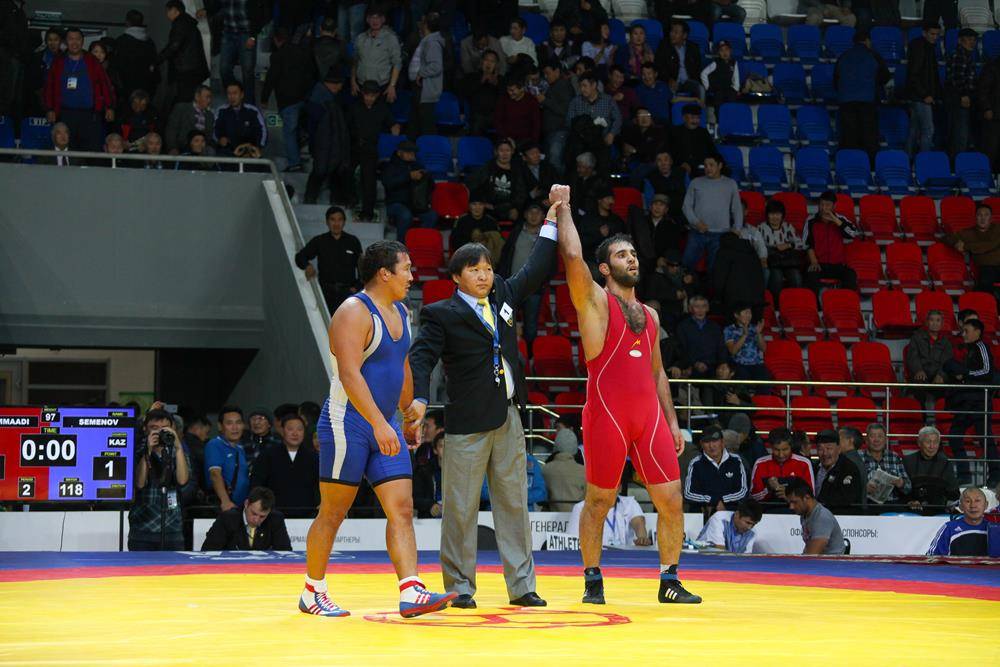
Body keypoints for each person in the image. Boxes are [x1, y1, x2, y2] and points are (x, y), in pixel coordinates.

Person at [407, 189, 560, 610]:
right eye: (474, 270)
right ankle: (460, 587)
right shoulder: (441, 313)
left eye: (488, 268)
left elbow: (536, 268)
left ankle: (522, 585)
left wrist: (552, 220)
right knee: (460, 508)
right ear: (456, 277)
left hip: (509, 418)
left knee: (515, 504)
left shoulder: (504, 296)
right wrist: (419, 398)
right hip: (468, 424)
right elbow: (421, 358)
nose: (484, 275)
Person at [553, 183, 701, 605]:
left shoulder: (650, 315)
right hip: (608, 417)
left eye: (633, 253)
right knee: (599, 500)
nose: (631, 258)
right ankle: (593, 580)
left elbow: (657, 373)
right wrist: (563, 208)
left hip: (649, 418)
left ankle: (669, 580)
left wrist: (672, 421)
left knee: (671, 501)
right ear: (604, 268)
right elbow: (573, 257)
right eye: (621, 254)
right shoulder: (595, 304)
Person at [301, 240, 454, 618]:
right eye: (407, 268)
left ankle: (411, 589)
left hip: (384, 424)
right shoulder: (353, 312)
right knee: (333, 512)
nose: (412, 276)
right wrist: (377, 423)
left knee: (402, 507)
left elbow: (401, 365)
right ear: (384, 273)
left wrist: (406, 414)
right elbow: (350, 375)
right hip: (347, 423)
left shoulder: (401, 311)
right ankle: (312, 590)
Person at [943, 318, 998, 484]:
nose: (963, 334)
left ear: (977, 332)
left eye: (966, 331)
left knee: (985, 439)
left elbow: (987, 371)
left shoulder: (981, 346)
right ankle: (965, 475)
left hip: (979, 402)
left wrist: (965, 374)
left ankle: (996, 475)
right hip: (968, 401)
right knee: (955, 436)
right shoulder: (970, 350)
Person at [43, 27, 115, 152]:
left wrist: (110, 106)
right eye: (71, 39)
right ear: (65, 41)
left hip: (90, 115)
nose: (74, 42)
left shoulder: (92, 61)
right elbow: (49, 86)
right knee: (68, 152)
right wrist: (49, 108)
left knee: (91, 152)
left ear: (82, 41)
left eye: (78, 39)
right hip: (65, 114)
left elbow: (105, 84)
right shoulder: (58, 61)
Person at [128, 408, 191, 550]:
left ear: (173, 428)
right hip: (142, 529)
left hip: (172, 528)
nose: (159, 432)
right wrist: (148, 451)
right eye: (154, 428)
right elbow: (139, 483)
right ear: (145, 429)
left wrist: (178, 448)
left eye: (164, 428)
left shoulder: (177, 452)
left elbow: (182, 481)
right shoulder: (137, 451)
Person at [260, 26, 317, 172]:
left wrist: (264, 98)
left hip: (288, 101)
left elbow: (271, 78)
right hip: (305, 97)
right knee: (299, 128)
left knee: (289, 132)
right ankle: (303, 146)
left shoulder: (277, 56)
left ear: (276, 40)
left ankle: (294, 163)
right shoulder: (302, 52)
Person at [346, 77, 397, 217]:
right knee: (346, 173)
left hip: (370, 148)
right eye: (367, 95)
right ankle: (350, 200)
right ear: (362, 93)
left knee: (369, 180)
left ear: (377, 95)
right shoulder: (354, 107)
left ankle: (367, 211)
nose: (369, 98)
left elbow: (393, 124)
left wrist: (395, 131)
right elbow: (346, 126)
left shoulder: (382, 109)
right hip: (353, 146)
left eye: (373, 96)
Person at [681, 153, 742, 272]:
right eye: (705, 165)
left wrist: (737, 228)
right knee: (686, 265)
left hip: (721, 234)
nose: (708, 168)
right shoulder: (695, 182)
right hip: (697, 232)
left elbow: (737, 208)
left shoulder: (730, 184)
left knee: (715, 270)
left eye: (711, 165)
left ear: (720, 166)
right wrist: (696, 222)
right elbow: (686, 206)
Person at [295, 206, 362, 313]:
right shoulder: (320, 241)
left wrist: (356, 287)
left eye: (340, 219)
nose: (336, 223)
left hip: (348, 294)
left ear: (344, 222)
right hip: (325, 293)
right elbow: (300, 256)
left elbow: (362, 267)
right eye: (332, 219)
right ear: (327, 222)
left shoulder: (353, 241)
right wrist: (307, 266)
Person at [250, 414, 320, 517]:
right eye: (290, 429)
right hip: (272, 515)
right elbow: (256, 484)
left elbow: (321, 486)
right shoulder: (267, 455)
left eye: (299, 429)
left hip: (307, 516)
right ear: (282, 431)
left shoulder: (313, 458)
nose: (295, 433)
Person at [834, 30, 889, 159]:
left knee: (849, 136)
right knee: (868, 137)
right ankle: (869, 165)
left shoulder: (844, 56)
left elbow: (836, 79)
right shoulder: (873, 55)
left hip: (846, 102)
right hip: (867, 101)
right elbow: (885, 76)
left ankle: (848, 163)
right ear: (867, 41)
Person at [207, 0, 270, 105]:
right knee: (224, 68)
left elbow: (260, 14)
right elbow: (216, 6)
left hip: (246, 34)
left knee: (247, 70)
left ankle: (248, 104)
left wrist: (253, 36)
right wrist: (206, 10)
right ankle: (235, 95)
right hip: (228, 32)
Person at [305, 71, 350, 205]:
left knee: (328, 172)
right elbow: (314, 127)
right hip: (325, 144)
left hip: (329, 144)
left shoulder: (323, 98)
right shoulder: (321, 101)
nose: (340, 88)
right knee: (322, 171)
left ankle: (312, 199)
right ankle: (313, 199)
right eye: (340, 85)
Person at [802, 191, 861, 294]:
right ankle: (818, 302)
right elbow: (806, 244)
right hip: (819, 264)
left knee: (851, 275)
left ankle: (844, 300)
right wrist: (813, 261)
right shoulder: (811, 221)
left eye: (828, 205)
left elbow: (853, 234)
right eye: (821, 204)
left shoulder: (841, 219)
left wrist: (835, 220)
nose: (824, 208)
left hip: (837, 265)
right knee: (810, 276)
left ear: (834, 206)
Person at [684, 425, 750, 515]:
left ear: (722, 442)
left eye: (715, 441)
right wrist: (713, 501)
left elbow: (743, 491)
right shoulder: (695, 463)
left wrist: (723, 501)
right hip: (703, 514)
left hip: (732, 514)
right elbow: (688, 494)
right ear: (701, 444)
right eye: (707, 442)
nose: (711, 446)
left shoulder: (736, 460)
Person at [565, 71, 622, 175]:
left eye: (585, 86)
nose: (582, 89)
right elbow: (569, 122)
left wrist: (612, 134)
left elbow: (618, 119)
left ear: (594, 85)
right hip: (581, 141)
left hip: (602, 140)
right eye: (580, 86)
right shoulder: (575, 102)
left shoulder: (608, 100)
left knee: (604, 158)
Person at [159, 1, 210, 116]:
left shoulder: (180, 24)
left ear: (175, 10)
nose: (167, 14)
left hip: (185, 70)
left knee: (181, 103)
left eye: (168, 11)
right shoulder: (189, 23)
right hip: (193, 69)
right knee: (188, 102)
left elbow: (174, 46)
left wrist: (158, 60)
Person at [201, 486, 292, 550]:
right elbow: (209, 551)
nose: (256, 520)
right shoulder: (227, 519)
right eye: (254, 513)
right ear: (246, 504)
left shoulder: (276, 519)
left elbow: (285, 553)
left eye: (262, 516)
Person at [381, 140, 438, 242]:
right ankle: (401, 245)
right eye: (409, 152)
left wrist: (426, 176)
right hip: (395, 203)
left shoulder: (417, 165)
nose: (412, 155)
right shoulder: (390, 166)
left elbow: (432, 187)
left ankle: (420, 242)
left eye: (413, 152)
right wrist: (409, 176)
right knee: (405, 215)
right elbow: (388, 183)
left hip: (415, 204)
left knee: (431, 216)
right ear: (399, 152)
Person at [946, 202, 1000, 297]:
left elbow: (992, 244)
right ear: (975, 217)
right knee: (985, 284)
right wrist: (956, 244)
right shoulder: (968, 233)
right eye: (980, 215)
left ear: (991, 218)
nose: (983, 218)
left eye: (986, 215)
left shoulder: (998, 229)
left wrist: (966, 246)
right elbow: (947, 238)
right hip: (986, 268)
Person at [468, 138, 527, 223]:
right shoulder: (487, 168)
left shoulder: (517, 170)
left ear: (512, 152)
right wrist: (482, 203)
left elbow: (521, 194)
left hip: (509, 208)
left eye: (507, 150)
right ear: (496, 152)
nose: (505, 154)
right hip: (488, 208)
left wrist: (516, 207)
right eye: (501, 150)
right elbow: (472, 186)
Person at [905, 21, 942, 156]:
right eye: (932, 34)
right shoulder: (922, 49)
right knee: (928, 130)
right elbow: (914, 75)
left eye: (937, 34)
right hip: (921, 96)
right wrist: (925, 94)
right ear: (924, 33)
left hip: (917, 95)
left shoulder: (923, 47)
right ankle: (924, 161)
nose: (935, 37)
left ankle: (908, 160)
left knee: (914, 130)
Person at [351, 6, 402, 102]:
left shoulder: (391, 38)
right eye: (372, 17)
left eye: (378, 17)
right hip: (361, 85)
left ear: (383, 19)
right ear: (367, 19)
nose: (375, 20)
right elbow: (355, 61)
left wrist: (392, 85)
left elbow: (397, 63)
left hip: (381, 86)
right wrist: (353, 81)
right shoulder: (360, 38)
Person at [750, 427, 815, 502]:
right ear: (771, 447)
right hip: (766, 509)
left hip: (796, 509)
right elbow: (752, 497)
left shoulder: (804, 463)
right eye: (776, 450)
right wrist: (768, 489)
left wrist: (789, 496)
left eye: (785, 449)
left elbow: (811, 496)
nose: (781, 455)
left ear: (791, 446)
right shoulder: (760, 463)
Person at [905, 426, 961, 511]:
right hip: (913, 510)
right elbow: (902, 491)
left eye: (935, 442)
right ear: (919, 443)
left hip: (939, 509)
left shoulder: (945, 463)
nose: (932, 446)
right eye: (928, 442)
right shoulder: (907, 461)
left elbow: (954, 493)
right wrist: (910, 501)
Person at [757, 199, 804, 301]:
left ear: (782, 215)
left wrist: (788, 245)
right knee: (777, 278)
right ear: (767, 215)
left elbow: (801, 244)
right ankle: (777, 305)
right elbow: (757, 246)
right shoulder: (761, 228)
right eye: (772, 214)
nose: (775, 217)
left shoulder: (788, 227)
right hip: (772, 262)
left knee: (796, 277)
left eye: (778, 214)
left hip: (788, 261)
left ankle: (795, 302)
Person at [785, 477, 847, 555]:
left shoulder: (822, 517)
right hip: (821, 560)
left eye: (794, 502)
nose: (791, 507)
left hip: (832, 561)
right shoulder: (805, 514)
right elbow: (809, 548)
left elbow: (812, 554)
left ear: (807, 497)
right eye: (790, 503)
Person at [205, 405, 250, 510]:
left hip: (241, 508)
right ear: (220, 426)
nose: (235, 427)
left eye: (238, 422)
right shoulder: (214, 444)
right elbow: (215, 474)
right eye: (229, 423)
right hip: (226, 508)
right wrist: (225, 501)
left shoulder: (241, 449)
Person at [408, 12, 445, 138]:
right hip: (421, 88)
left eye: (422, 22)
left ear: (426, 25)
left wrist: (421, 73)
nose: (419, 24)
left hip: (425, 89)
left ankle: (429, 149)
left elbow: (436, 66)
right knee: (417, 124)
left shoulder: (432, 43)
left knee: (426, 127)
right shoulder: (427, 40)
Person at [568, 494, 652, 547]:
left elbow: (638, 523)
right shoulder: (581, 507)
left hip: (624, 557)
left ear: (619, 487)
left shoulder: (629, 503)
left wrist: (642, 538)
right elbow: (572, 541)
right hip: (595, 556)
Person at [927, 487, 992, 556]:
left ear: (986, 505)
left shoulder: (993, 529)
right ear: (961, 506)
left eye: (977, 500)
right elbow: (932, 558)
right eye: (968, 501)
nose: (973, 505)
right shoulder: (949, 528)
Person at [114, 10, 160, 104]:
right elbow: (154, 65)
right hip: (146, 87)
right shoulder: (149, 42)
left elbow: (117, 66)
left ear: (127, 22)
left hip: (126, 87)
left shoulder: (121, 41)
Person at [945, 28, 978, 157]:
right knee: (960, 133)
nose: (972, 43)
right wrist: (964, 95)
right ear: (960, 40)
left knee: (960, 132)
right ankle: (957, 161)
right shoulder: (959, 55)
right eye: (969, 39)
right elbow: (957, 78)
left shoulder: (966, 55)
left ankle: (957, 160)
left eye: (974, 40)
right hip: (958, 99)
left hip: (961, 98)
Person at [814, 429, 863, 514]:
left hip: (842, 518)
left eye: (829, 448)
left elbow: (847, 499)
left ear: (839, 449)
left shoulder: (849, 468)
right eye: (820, 449)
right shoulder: (814, 467)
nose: (825, 453)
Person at [676, 295, 726, 379]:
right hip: (689, 366)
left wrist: (722, 363)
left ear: (707, 308)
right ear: (690, 309)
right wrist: (695, 363)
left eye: (703, 306)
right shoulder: (683, 326)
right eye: (697, 307)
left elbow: (721, 348)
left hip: (712, 366)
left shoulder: (715, 327)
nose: (700, 310)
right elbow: (681, 349)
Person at [906, 309, 952, 399]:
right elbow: (912, 357)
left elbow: (947, 361)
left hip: (937, 374)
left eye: (938, 320)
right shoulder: (917, 338)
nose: (935, 323)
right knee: (918, 385)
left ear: (942, 324)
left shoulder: (946, 342)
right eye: (931, 320)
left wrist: (941, 375)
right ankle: (921, 408)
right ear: (927, 322)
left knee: (948, 388)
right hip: (921, 374)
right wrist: (918, 370)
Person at [862, 423, 911, 504]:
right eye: (872, 436)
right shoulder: (859, 457)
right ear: (866, 440)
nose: (876, 440)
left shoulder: (894, 457)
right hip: (868, 504)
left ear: (885, 440)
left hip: (892, 504)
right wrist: (864, 489)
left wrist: (901, 483)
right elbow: (850, 487)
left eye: (880, 436)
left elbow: (908, 488)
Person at [539, 60, 574, 174]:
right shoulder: (552, 86)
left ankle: (559, 184)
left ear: (557, 71)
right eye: (544, 74)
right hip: (551, 131)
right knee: (551, 161)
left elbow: (565, 110)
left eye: (548, 73)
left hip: (560, 130)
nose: (546, 76)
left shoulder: (563, 85)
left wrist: (545, 100)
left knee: (555, 160)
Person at [213, 81, 266, 157]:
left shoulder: (252, 110)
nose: (232, 97)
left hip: (249, 152)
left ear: (242, 95)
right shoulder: (221, 110)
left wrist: (258, 146)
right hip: (228, 152)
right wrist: (219, 139)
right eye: (229, 93)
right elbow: (215, 129)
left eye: (235, 93)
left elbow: (261, 130)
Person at [579, 186, 625, 271]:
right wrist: (598, 234)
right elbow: (582, 242)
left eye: (612, 199)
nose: (611, 201)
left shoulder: (616, 220)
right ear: (599, 200)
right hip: (593, 260)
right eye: (607, 198)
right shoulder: (588, 219)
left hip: (614, 259)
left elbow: (623, 239)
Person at [723, 302, 769, 386]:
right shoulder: (729, 330)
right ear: (736, 315)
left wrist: (758, 333)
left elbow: (763, 349)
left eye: (750, 313)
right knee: (742, 381)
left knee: (765, 381)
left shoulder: (755, 328)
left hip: (757, 364)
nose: (748, 315)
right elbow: (733, 351)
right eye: (745, 313)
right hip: (739, 364)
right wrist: (744, 335)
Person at [654, 19, 702, 99]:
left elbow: (697, 68)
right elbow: (659, 66)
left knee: (700, 89)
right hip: (671, 81)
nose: (672, 34)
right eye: (671, 31)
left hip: (688, 82)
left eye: (676, 32)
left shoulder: (693, 48)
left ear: (684, 35)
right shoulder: (664, 46)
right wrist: (669, 79)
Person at [542, 427, 587, 511]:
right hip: (576, 516)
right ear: (575, 449)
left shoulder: (545, 469)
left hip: (551, 517)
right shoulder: (584, 472)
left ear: (556, 446)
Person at [696, 498, 763, 553]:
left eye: (754, 524)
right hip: (701, 559)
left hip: (728, 562)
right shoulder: (719, 518)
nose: (750, 527)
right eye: (748, 523)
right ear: (737, 514)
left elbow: (746, 557)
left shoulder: (752, 532)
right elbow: (719, 551)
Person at [163, 84, 213, 154]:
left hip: (202, 152)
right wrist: (172, 147)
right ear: (197, 96)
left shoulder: (210, 115)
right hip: (181, 149)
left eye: (210, 97)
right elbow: (171, 129)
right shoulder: (181, 108)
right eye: (207, 97)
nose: (209, 100)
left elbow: (209, 136)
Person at [494, 76, 542, 146]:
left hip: (526, 140)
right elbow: (497, 120)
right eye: (508, 90)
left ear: (522, 89)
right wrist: (505, 138)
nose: (509, 93)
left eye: (512, 90)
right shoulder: (503, 99)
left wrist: (533, 142)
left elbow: (536, 123)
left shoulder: (531, 101)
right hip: (506, 138)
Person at [452, 190, 502, 254]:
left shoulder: (491, 222)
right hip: (466, 255)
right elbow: (455, 242)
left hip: (487, 255)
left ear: (484, 206)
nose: (477, 208)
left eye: (480, 204)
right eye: (474, 204)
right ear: (469, 205)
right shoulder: (461, 221)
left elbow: (498, 243)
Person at [700, 40, 740, 113]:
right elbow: (703, 74)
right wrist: (707, 87)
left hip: (728, 88)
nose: (724, 52)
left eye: (726, 50)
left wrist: (736, 89)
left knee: (732, 100)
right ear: (718, 53)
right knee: (719, 102)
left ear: (730, 50)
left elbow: (736, 77)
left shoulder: (733, 62)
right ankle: (719, 116)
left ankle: (731, 115)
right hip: (718, 89)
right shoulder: (716, 63)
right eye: (721, 50)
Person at [838, 426, 869, 509]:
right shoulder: (856, 459)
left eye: (839, 438)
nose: (836, 442)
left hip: (850, 511)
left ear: (850, 440)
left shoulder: (848, 460)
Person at [313, 17, 346, 84]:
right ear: (336, 30)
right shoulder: (341, 45)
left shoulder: (311, 43)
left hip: (314, 83)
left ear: (320, 28)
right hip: (333, 84)